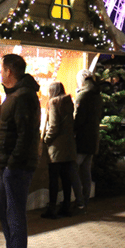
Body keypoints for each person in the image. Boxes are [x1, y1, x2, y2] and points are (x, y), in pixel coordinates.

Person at [0, 53, 41, 248]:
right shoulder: (15, 94)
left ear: (9, 71)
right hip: (9, 164)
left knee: (13, 214)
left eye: (1, 69)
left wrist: (12, 164)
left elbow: (26, 134)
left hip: (16, 167)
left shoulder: (23, 96)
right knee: (5, 211)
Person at [41, 82, 81, 219]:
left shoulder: (54, 103)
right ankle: (66, 206)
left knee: (53, 179)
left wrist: (46, 140)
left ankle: (52, 208)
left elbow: (53, 126)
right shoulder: (68, 102)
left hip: (56, 148)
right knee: (66, 178)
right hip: (69, 146)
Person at [74, 69, 104, 210]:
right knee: (86, 171)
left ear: (82, 81)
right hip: (93, 138)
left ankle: (79, 200)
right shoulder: (97, 96)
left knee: (73, 169)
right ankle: (84, 200)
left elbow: (78, 119)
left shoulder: (82, 96)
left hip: (81, 139)